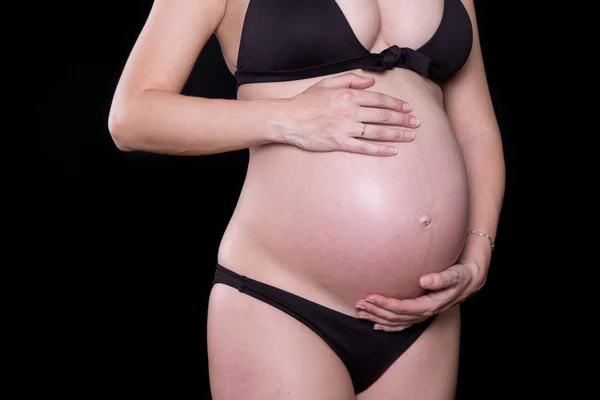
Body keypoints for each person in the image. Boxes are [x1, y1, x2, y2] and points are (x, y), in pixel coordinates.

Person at [108, 0, 505, 398]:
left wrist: (477, 254)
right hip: (285, 301)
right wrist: (288, 117)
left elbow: (477, 131)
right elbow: (132, 116)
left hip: (424, 314)